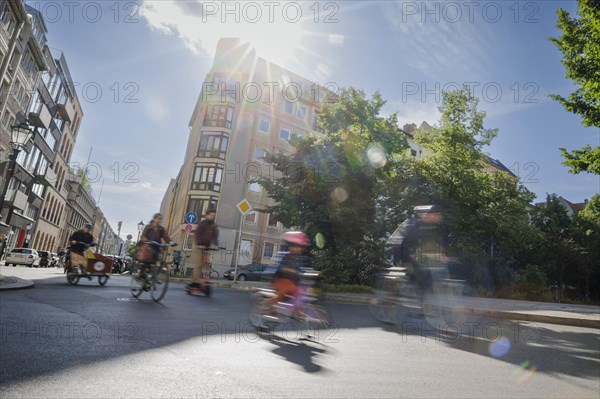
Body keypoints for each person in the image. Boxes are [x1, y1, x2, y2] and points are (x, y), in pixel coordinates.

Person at [266, 231, 312, 310]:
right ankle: (270, 302)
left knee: (302, 292)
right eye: (295, 247)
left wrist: (310, 273)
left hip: (293, 282)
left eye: (299, 247)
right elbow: (280, 268)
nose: (297, 249)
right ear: (290, 247)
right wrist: (289, 270)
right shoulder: (285, 257)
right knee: (290, 290)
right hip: (280, 280)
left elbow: (302, 270)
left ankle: (295, 309)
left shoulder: (299, 259)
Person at [187, 209, 219, 290]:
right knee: (199, 264)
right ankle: (195, 282)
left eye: (213, 216)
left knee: (207, 263)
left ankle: (206, 280)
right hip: (199, 246)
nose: (212, 217)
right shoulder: (202, 224)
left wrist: (216, 245)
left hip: (207, 247)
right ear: (207, 215)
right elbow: (198, 234)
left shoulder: (213, 225)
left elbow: (214, 237)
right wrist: (199, 244)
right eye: (211, 215)